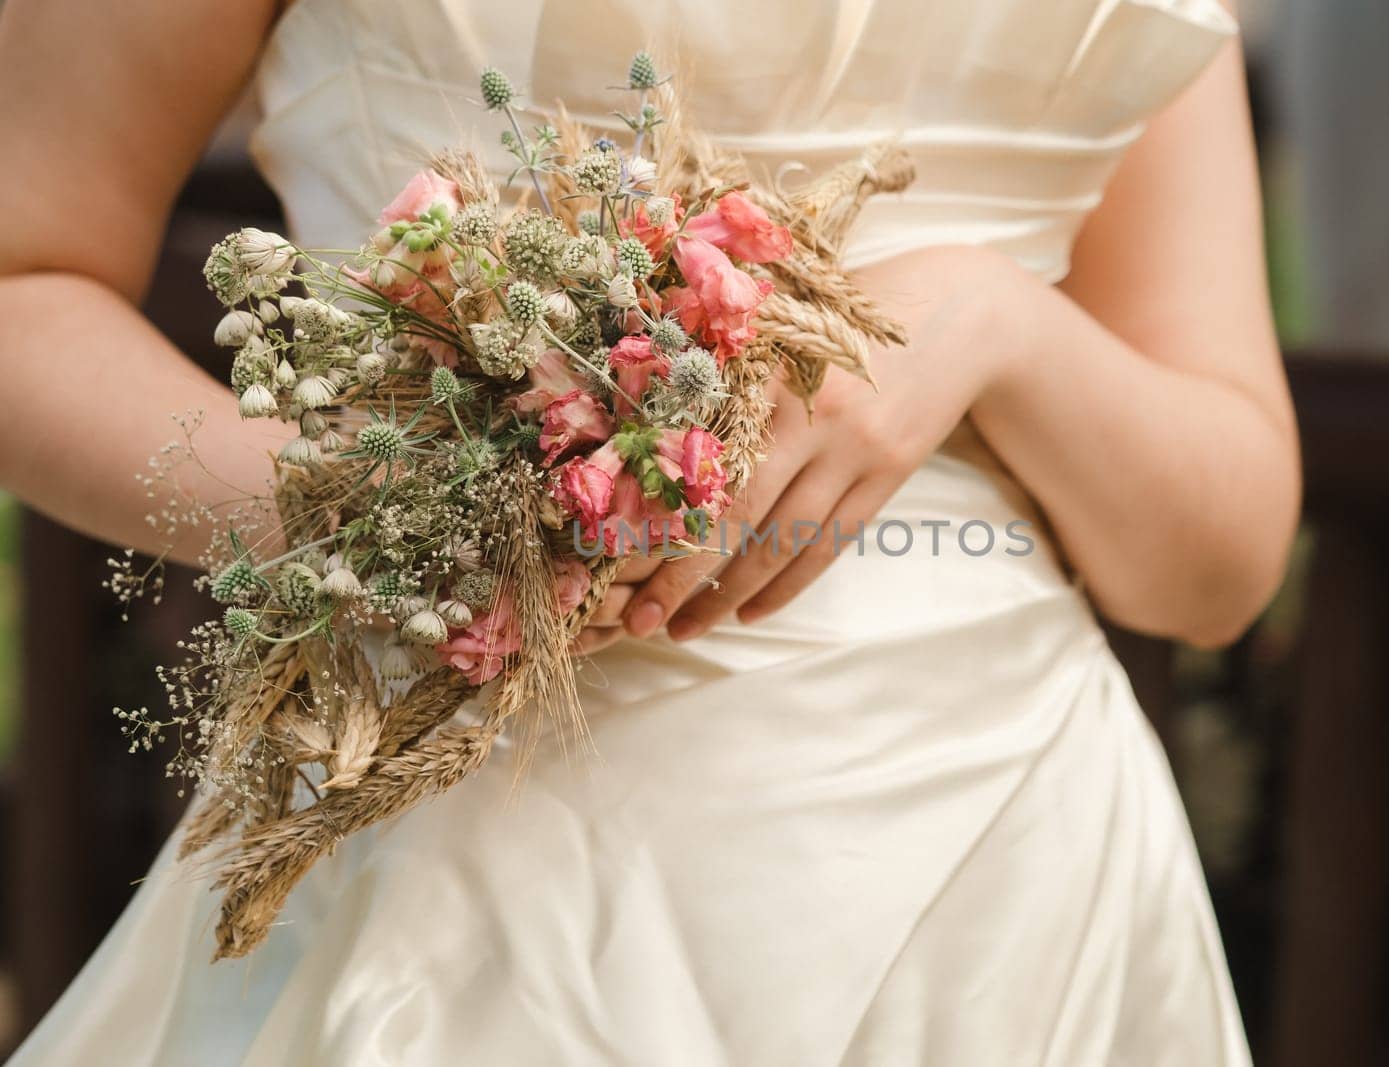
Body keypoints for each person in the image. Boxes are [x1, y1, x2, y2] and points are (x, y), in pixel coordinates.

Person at [0, 0, 1296, 1062]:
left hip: (1006, 890)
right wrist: (380, 511)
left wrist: (992, 322)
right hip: (478, 879)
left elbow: (1220, 564)